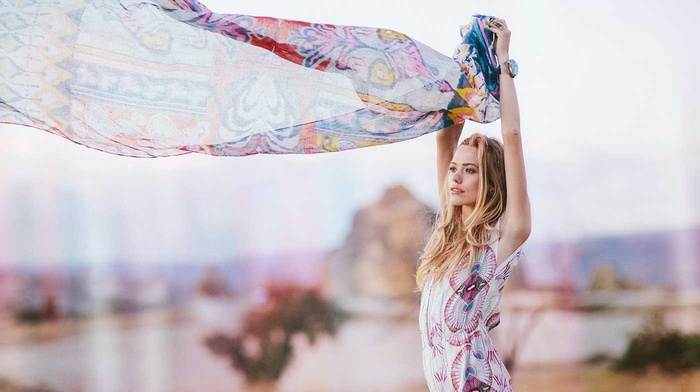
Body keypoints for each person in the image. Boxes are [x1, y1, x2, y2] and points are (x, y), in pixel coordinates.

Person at [416, 17, 531, 392]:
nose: (455, 177)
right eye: (454, 170)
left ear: (490, 181)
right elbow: (443, 138)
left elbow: (511, 135)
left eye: (469, 171)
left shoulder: (504, 238)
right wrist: (463, 65)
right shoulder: (447, 237)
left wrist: (502, 62)